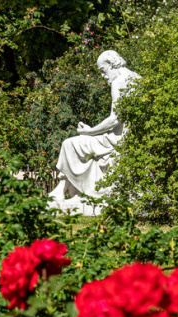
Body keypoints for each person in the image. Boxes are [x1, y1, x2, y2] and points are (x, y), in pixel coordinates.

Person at [49, 50, 141, 213]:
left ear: (112, 65)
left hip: (118, 139)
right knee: (79, 145)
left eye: (103, 71)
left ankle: (61, 190)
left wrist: (90, 132)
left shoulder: (118, 81)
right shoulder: (136, 77)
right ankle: (71, 191)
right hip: (130, 137)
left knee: (69, 144)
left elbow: (115, 119)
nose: (104, 76)